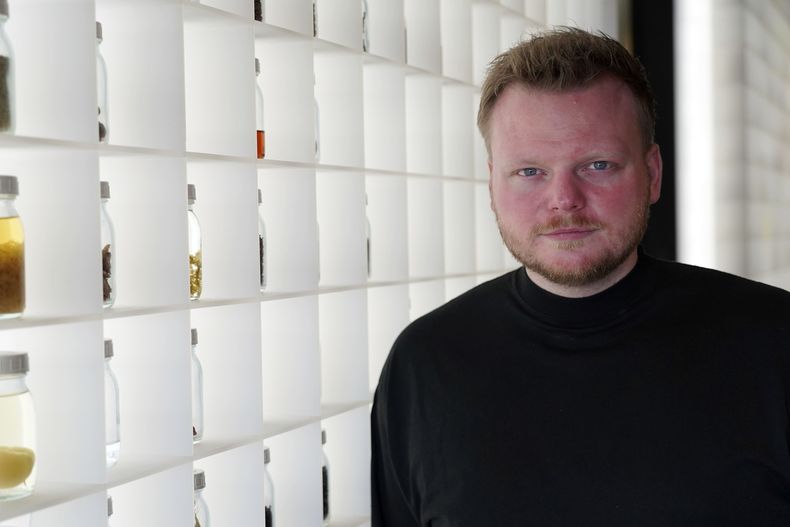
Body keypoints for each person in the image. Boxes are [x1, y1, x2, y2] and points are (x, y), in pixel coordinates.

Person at [371, 27, 790, 526]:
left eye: (597, 165)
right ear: (491, 184)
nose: (564, 200)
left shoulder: (774, 341)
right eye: (530, 171)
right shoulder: (424, 365)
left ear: (652, 174)